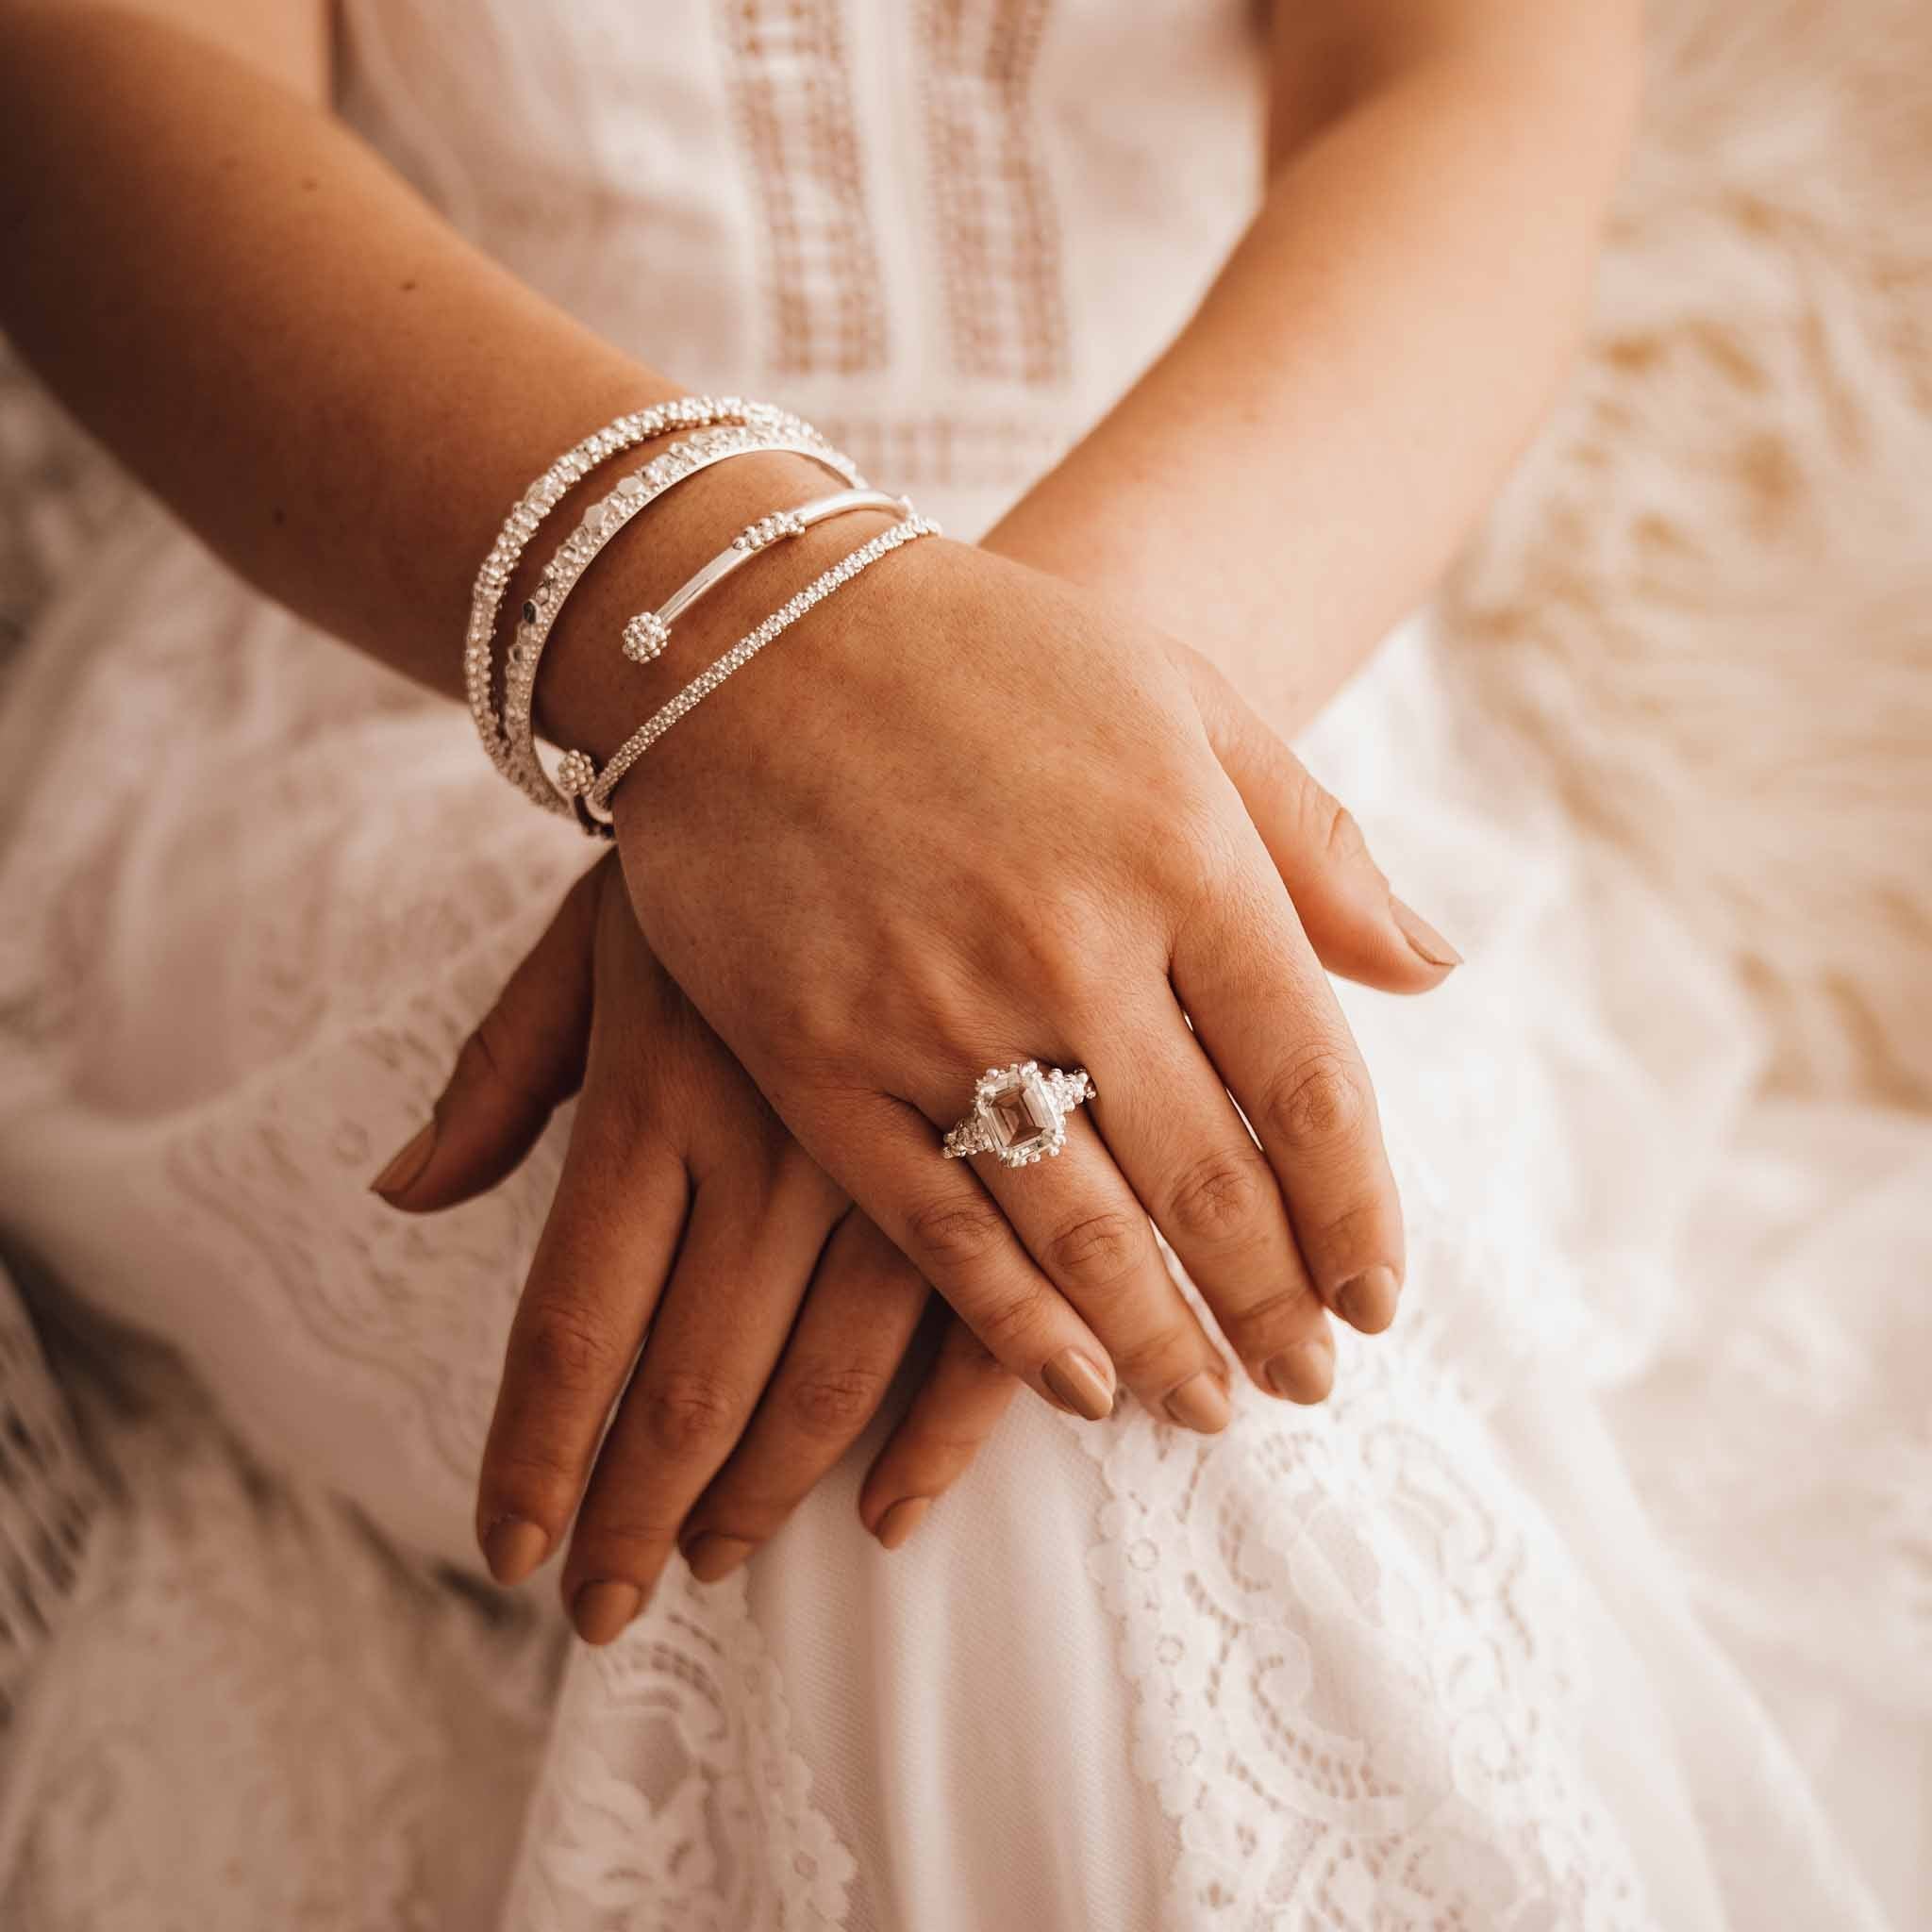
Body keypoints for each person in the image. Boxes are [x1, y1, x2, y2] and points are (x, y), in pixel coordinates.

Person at [0, 2, 1896, 1927]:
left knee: (1108, 1278)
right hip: (441, 639)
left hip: (1251, 622)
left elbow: (1473, 91)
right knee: (1057, 1335)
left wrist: (1002, 783)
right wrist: (744, 654)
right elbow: (96, 87)